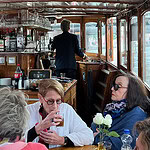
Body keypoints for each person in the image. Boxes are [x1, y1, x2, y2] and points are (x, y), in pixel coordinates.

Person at [26, 79, 94, 149]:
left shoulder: (66, 109)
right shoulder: (27, 111)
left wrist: (62, 140)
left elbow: (88, 136)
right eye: (50, 101)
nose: (55, 106)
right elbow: (15, 142)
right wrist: (37, 129)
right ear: (40, 98)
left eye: (58, 101)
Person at [91, 73, 150, 150]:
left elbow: (123, 144)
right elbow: (95, 126)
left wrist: (98, 137)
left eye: (117, 86)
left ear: (131, 91)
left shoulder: (137, 114)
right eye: (113, 85)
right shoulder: (114, 109)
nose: (112, 89)